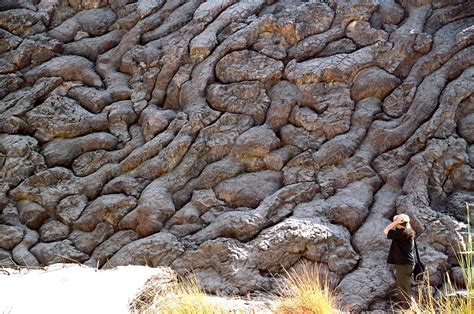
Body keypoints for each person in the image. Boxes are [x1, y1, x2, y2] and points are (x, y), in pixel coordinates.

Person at [383, 214, 416, 307]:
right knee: (405, 287)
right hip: (407, 264)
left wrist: (396, 222)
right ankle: (411, 308)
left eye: (396, 220)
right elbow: (405, 224)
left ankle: (409, 309)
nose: (394, 220)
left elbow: (386, 230)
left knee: (403, 288)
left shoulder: (400, 234)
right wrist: (402, 220)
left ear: (400, 223)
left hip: (403, 265)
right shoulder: (409, 232)